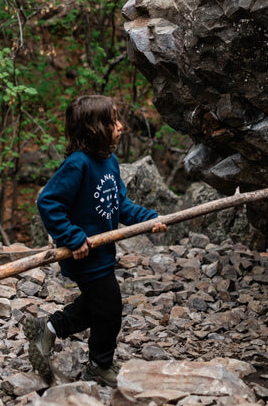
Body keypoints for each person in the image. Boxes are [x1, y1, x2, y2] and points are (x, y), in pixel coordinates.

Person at [23, 94, 167, 388]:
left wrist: (147, 219)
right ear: (95, 128)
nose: (122, 126)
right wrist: (73, 237)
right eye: (114, 120)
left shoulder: (109, 161)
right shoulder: (78, 165)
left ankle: (47, 328)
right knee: (109, 308)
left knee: (96, 305)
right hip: (83, 256)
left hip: (102, 253)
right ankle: (100, 365)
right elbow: (48, 202)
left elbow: (119, 205)